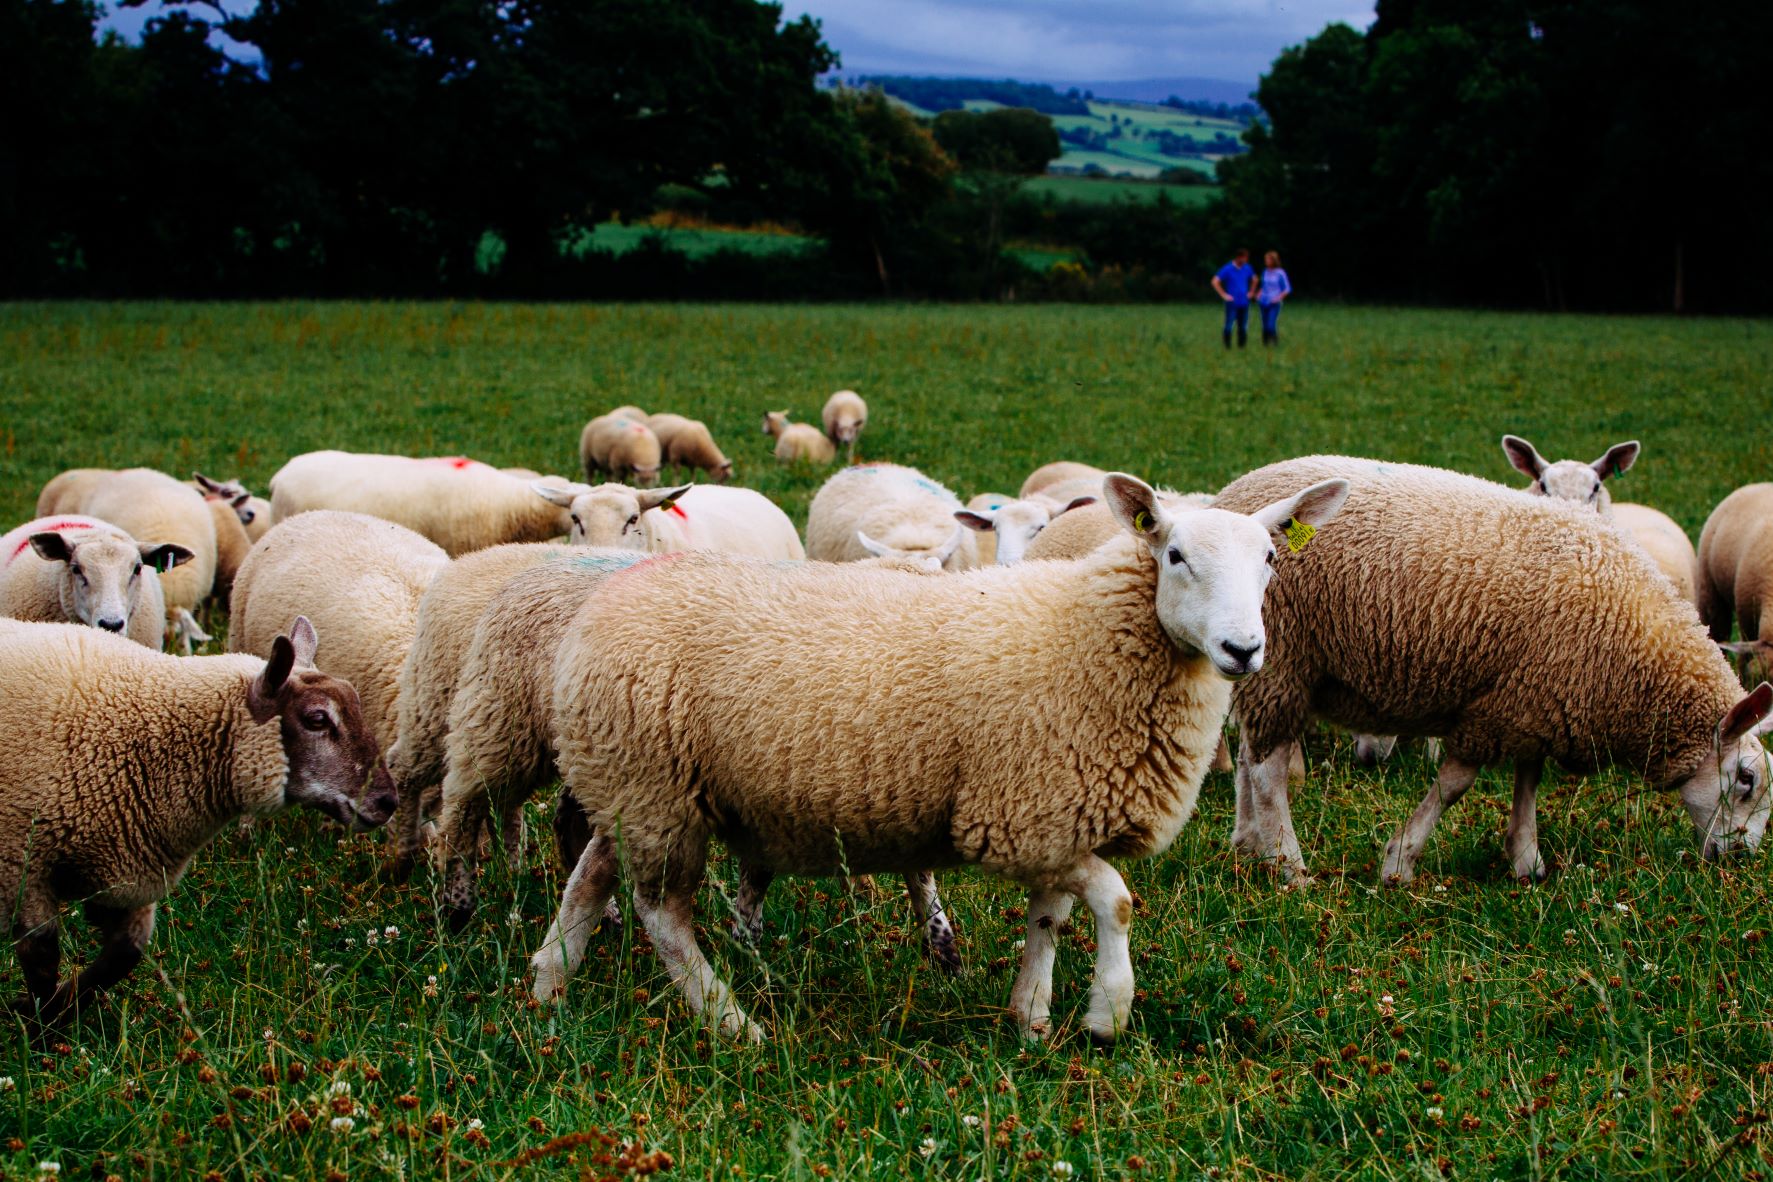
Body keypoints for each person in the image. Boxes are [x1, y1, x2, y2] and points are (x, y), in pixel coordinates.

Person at [1210, 248, 1257, 349]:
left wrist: (1252, 292)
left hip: (1244, 302)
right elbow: (1214, 281)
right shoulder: (1228, 268)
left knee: (1243, 327)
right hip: (1232, 302)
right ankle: (1227, 347)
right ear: (1239, 257)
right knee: (1228, 326)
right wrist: (1223, 295)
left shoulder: (1247, 268)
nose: (1246, 260)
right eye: (1244, 258)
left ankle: (1242, 347)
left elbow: (1255, 279)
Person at [1258, 250, 1291, 345]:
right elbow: (1263, 286)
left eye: (1268, 259)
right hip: (1263, 301)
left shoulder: (1280, 273)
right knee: (1264, 325)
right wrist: (1259, 294)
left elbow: (1287, 289)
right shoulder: (1265, 272)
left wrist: (1278, 298)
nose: (1266, 261)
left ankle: (1275, 343)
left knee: (1270, 325)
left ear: (1273, 260)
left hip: (1274, 303)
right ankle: (1265, 345)